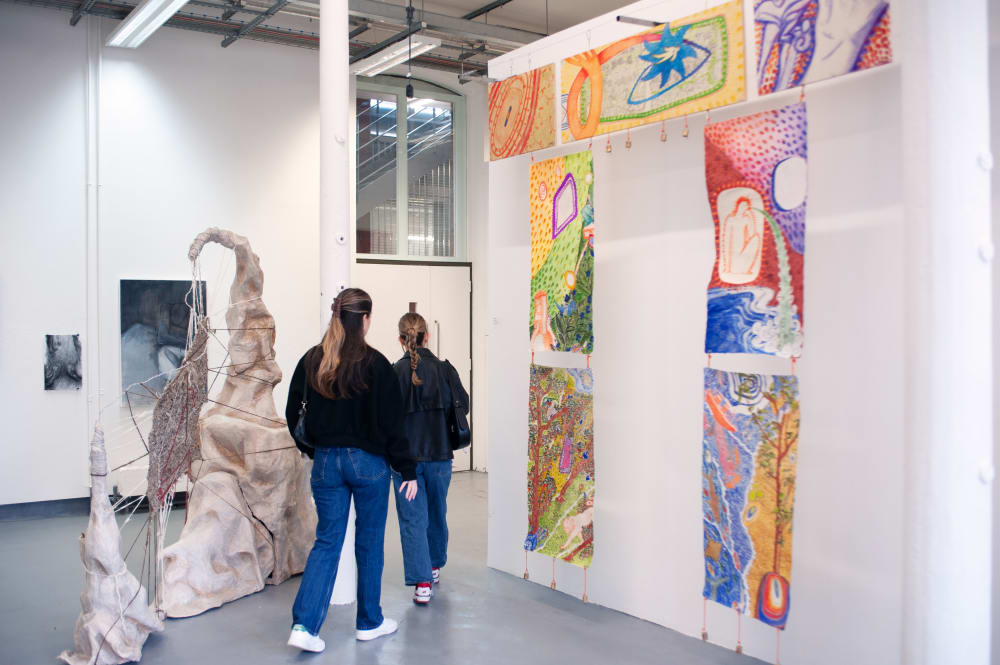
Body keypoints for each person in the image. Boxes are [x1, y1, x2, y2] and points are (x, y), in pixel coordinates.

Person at [284, 288, 419, 653]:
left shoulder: (313, 359)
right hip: (368, 464)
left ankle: (304, 625)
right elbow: (394, 425)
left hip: (326, 462)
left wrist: (310, 446)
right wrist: (407, 471)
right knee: (369, 542)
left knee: (327, 542)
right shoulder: (376, 364)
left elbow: (292, 411)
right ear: (364, 320)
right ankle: (369, 623)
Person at [391, 312, 469, 605]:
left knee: (412, 519)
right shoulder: (444, 369)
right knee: (437, 511)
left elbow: (385, 419)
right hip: (439, 456)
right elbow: (465, 405)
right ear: (428, 337)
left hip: (405, 462)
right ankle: (434, 565)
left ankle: (422, 583)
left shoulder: (393, 373)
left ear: (401, 340)